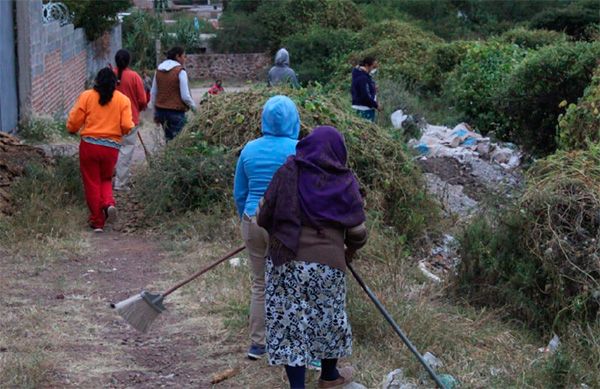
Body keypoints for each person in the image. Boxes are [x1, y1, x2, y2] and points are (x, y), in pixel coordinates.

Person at [257, 126, 368, 389]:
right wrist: (348, 252)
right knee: (328, 318)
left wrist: (279, 224)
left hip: (286, 261)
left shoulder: (288, 172)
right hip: (328, 265)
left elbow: (263, 212)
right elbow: (358, 231)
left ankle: (297, 386)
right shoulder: (345, 181)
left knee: (290, 323)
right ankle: (329, 376)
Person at [233, 95, 300, 360]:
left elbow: (240, 192)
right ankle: (288, 341)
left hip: (252, 220)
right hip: (284, 225)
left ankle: (258, 344)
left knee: (260, 283)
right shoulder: (298, 149)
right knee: (289, 282)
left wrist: (248, 223)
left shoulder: (249, 149)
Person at [67, 68, 134, 232]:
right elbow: (126, 125)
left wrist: (71, 129)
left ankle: (97, 221)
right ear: (115, 83)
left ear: (96, 81)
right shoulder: (123, 100)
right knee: (105, 179)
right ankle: (108, 203)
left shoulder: (87, 96)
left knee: (92, 182)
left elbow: (74, 122)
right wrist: (125, 130)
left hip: (89, 146)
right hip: (111, 148)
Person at [113, 49, 148, 191]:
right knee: (126, 150)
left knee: (113, 149)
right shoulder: (134, 77)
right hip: (130, 119)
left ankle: (111, 177)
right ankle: (121, 183)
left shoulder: (110, 74)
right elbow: (143, 99)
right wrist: (138, 109)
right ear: (128, 61)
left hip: (111, 119)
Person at [150, 46, 196, 141]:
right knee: (178, 142)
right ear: (177, 56)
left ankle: (168, 155)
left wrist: (155, 113)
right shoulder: (180, 71)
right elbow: (185, 96)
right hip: (176, 112)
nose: (185, 59)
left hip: (161, 111)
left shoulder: (158, 70)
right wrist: (194, 109)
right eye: (184, 56)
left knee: (168, 139)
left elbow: (153, 93)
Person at [351, 56, 380, 122]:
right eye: (373, 67)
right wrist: (376, 105)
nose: (375, 69)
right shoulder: (363, 77)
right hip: (364, 110)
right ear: (367, 65)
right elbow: (365, 95)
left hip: (363, 108)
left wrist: (372, 88)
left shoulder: (362, 74)